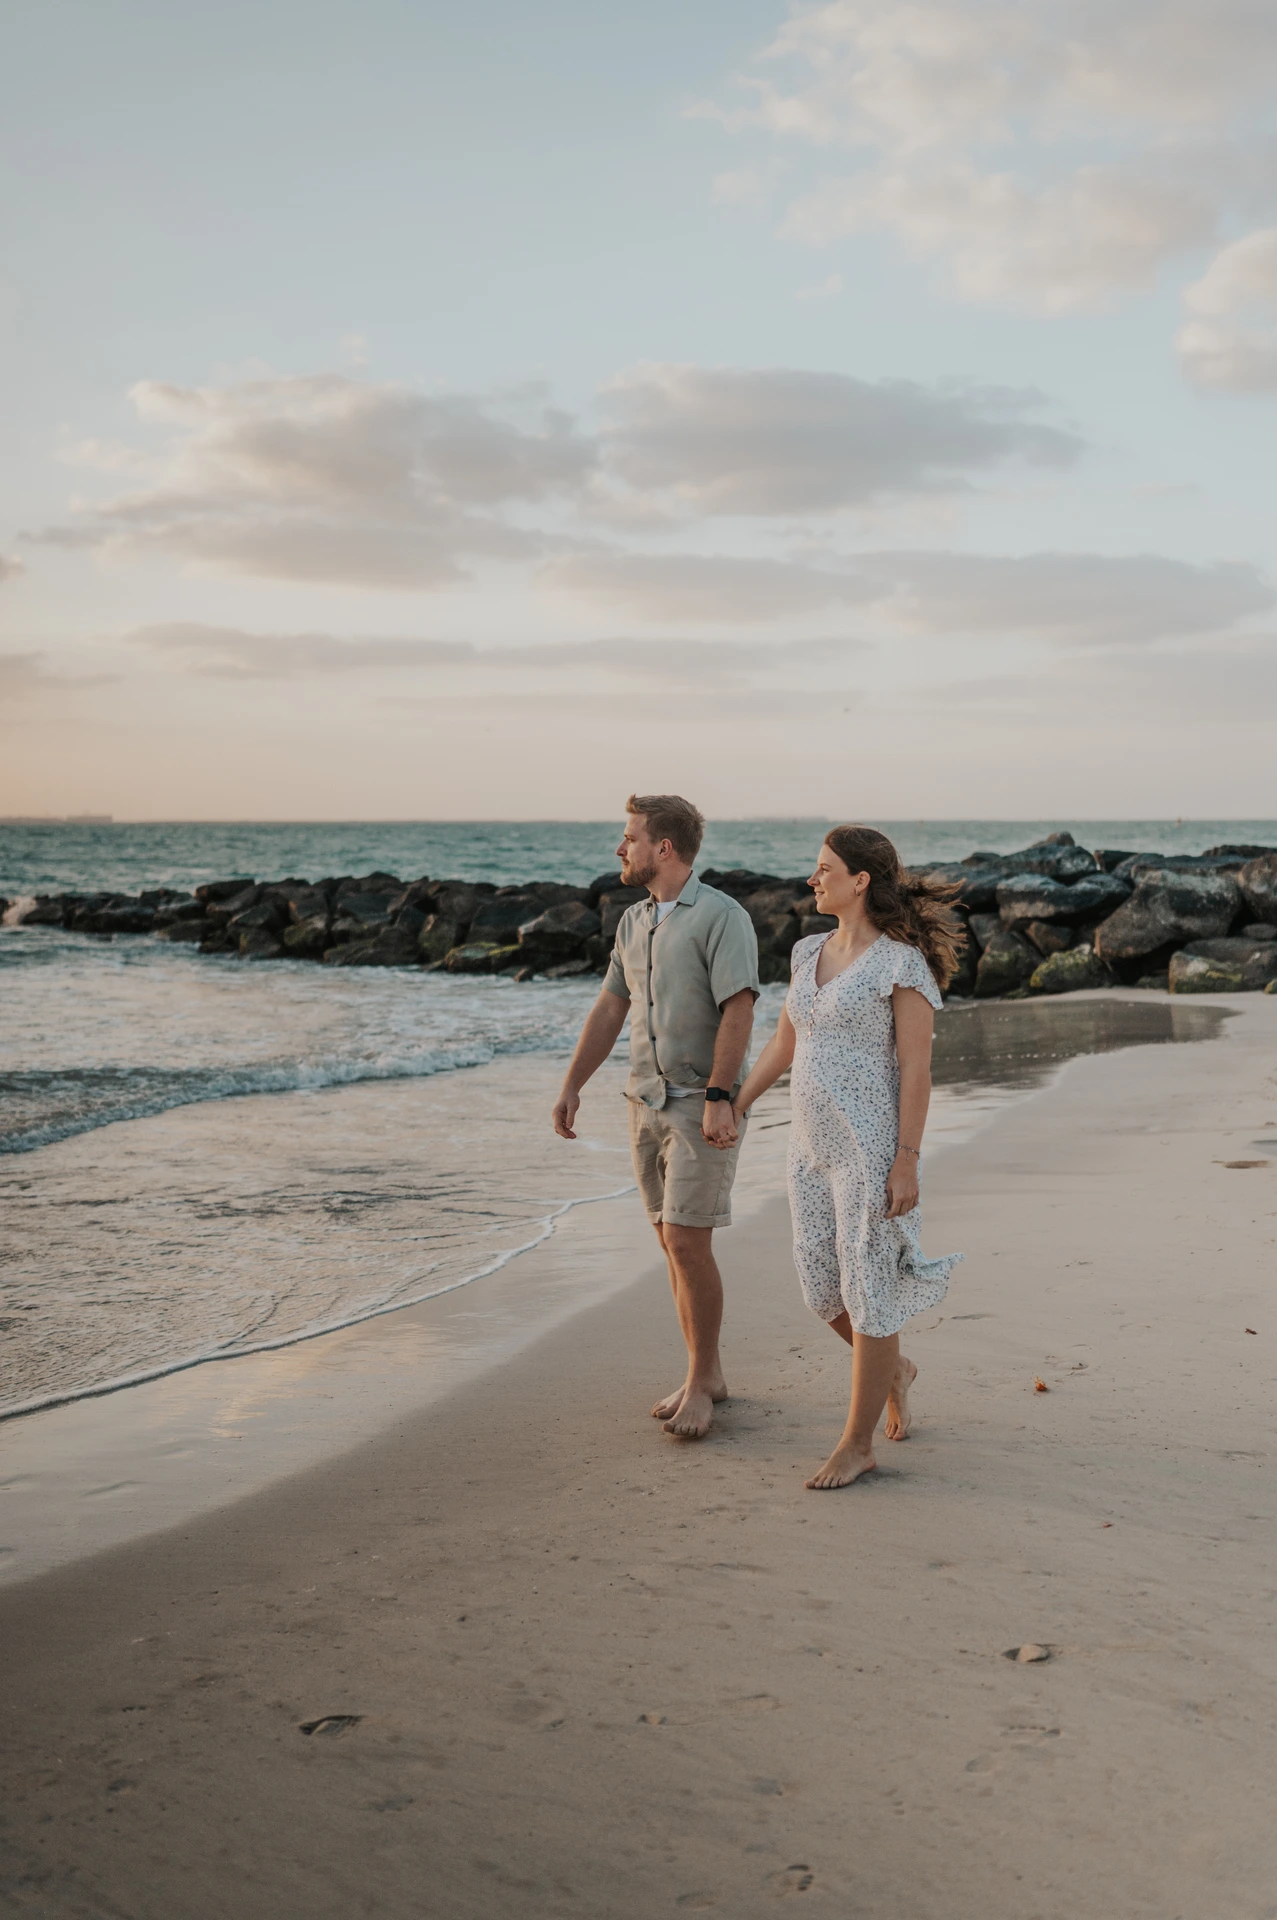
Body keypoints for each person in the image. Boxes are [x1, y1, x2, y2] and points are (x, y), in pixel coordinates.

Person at [733, 824, 963, 1490]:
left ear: (859, 880)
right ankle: (892, 1369)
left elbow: (917, 1071)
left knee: (868, 1294)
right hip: (807, 1147)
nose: (812, 878)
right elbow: (783, 1042)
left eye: (823, 868)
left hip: (868, 1149)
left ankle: (856, 1443)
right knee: (819, 1287)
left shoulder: (900, 963)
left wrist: (906, 1163)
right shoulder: (807, 951)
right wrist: (736, 1103)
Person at [552, 794, 759, 1439]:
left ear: (662, 848)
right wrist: (571, 1085)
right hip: (643, 1103)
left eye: (629, 837)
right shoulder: (633, 922)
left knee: (688, 1242)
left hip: (702, 1104)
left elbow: (740, 1009)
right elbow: (611, 1009)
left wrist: (723, 1097)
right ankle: (709, 1372)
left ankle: (700, 1384)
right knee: (670, 1244)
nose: (621, 848)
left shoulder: (723, 917)